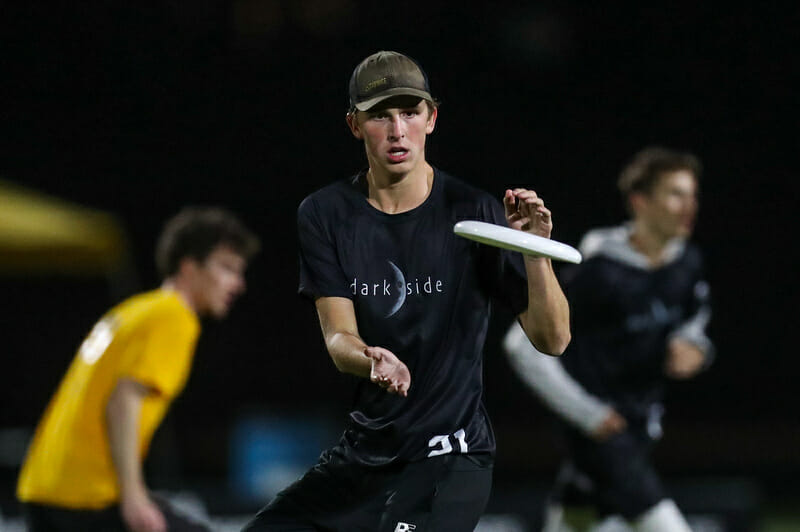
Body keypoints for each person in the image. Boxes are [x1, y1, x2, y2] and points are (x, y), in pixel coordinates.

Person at [242, 50, 571, 532]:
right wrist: (371, 358)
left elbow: (554, 339)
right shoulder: (325, 214)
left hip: (451, 459)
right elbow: (339, 339)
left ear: (431, 118)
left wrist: (534, 250)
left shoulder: (474, 212)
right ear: (355, 125)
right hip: (365, 457)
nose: (397, 130)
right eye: (380, 115)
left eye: (410, 113)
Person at [503, 146, 714, 531]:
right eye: (675, 194)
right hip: (601, 430)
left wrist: (694, 348)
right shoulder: (600, 270)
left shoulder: (687, 263)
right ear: (640, 202)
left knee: (586, 518)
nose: (689, 206)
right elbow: (522, 347)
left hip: (640, 423)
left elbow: (694, 323)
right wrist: (588, 414)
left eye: (692, 195)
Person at [17, 207, 260, 532]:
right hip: (85, 499)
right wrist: (134, 497)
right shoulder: (174, 317)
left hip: (44, 488)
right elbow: (122, 402)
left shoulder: (134, 310)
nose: (238, 284)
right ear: (189, 267)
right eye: (227, 268)